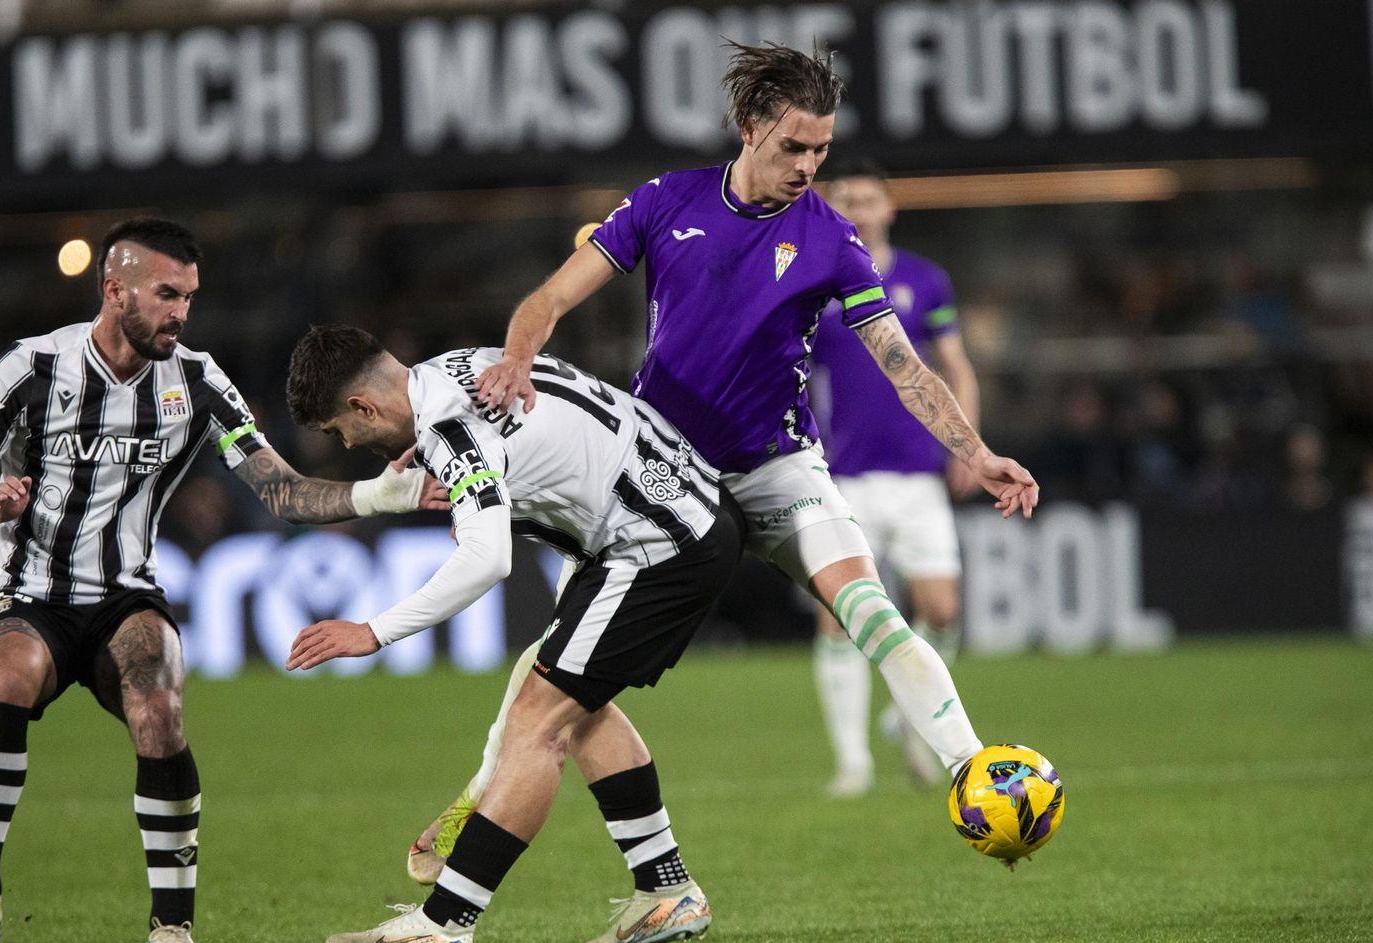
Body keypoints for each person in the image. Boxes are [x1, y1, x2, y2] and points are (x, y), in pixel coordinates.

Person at [405, 41, 1039, 882]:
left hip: (777, 469)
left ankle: (973, 772)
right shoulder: (666, 202)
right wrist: (517, 357)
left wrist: (977, 450)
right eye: (793, 147)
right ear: (748, 128)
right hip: (652, 478)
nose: (810, 166)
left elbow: (902, 363)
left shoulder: (833, 241)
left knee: (872, 612)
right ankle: (502, 805)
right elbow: (552, 297)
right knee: (557, 668)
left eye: (822, 149)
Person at [0, 218, 438, 943]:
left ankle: (173, 928)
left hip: (125, 593)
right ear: (115, 290)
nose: (181, 312)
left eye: (190, 297)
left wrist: (383, 497)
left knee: (160, 706)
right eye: (167, 294)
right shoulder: (31, 368)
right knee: (8, 676)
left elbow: (282, 491)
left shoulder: (196, 380)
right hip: (28, 591)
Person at [284, 325, 741, 943]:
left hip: (656, 545)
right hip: (676, 509)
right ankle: (665, 889)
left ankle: (445, 924)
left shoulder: (447, 430)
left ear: (363, 406)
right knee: (575, 710)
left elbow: (486, 559)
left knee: (538, 724)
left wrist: (373, 631)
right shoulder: (455, 365)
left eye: (340, 430)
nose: (350, 444)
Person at [809, 160, 982, 797]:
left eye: (867, 200)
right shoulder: (817, 282)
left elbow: (956, 368)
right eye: (844, 200)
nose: (857, 209)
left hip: (918, 477)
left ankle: (912, 717)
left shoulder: (925, 281)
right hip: (844, 479)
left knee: (941, 610)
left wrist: (968, 444)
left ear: (890, 207)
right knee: (839, 618)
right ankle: (852, 764)